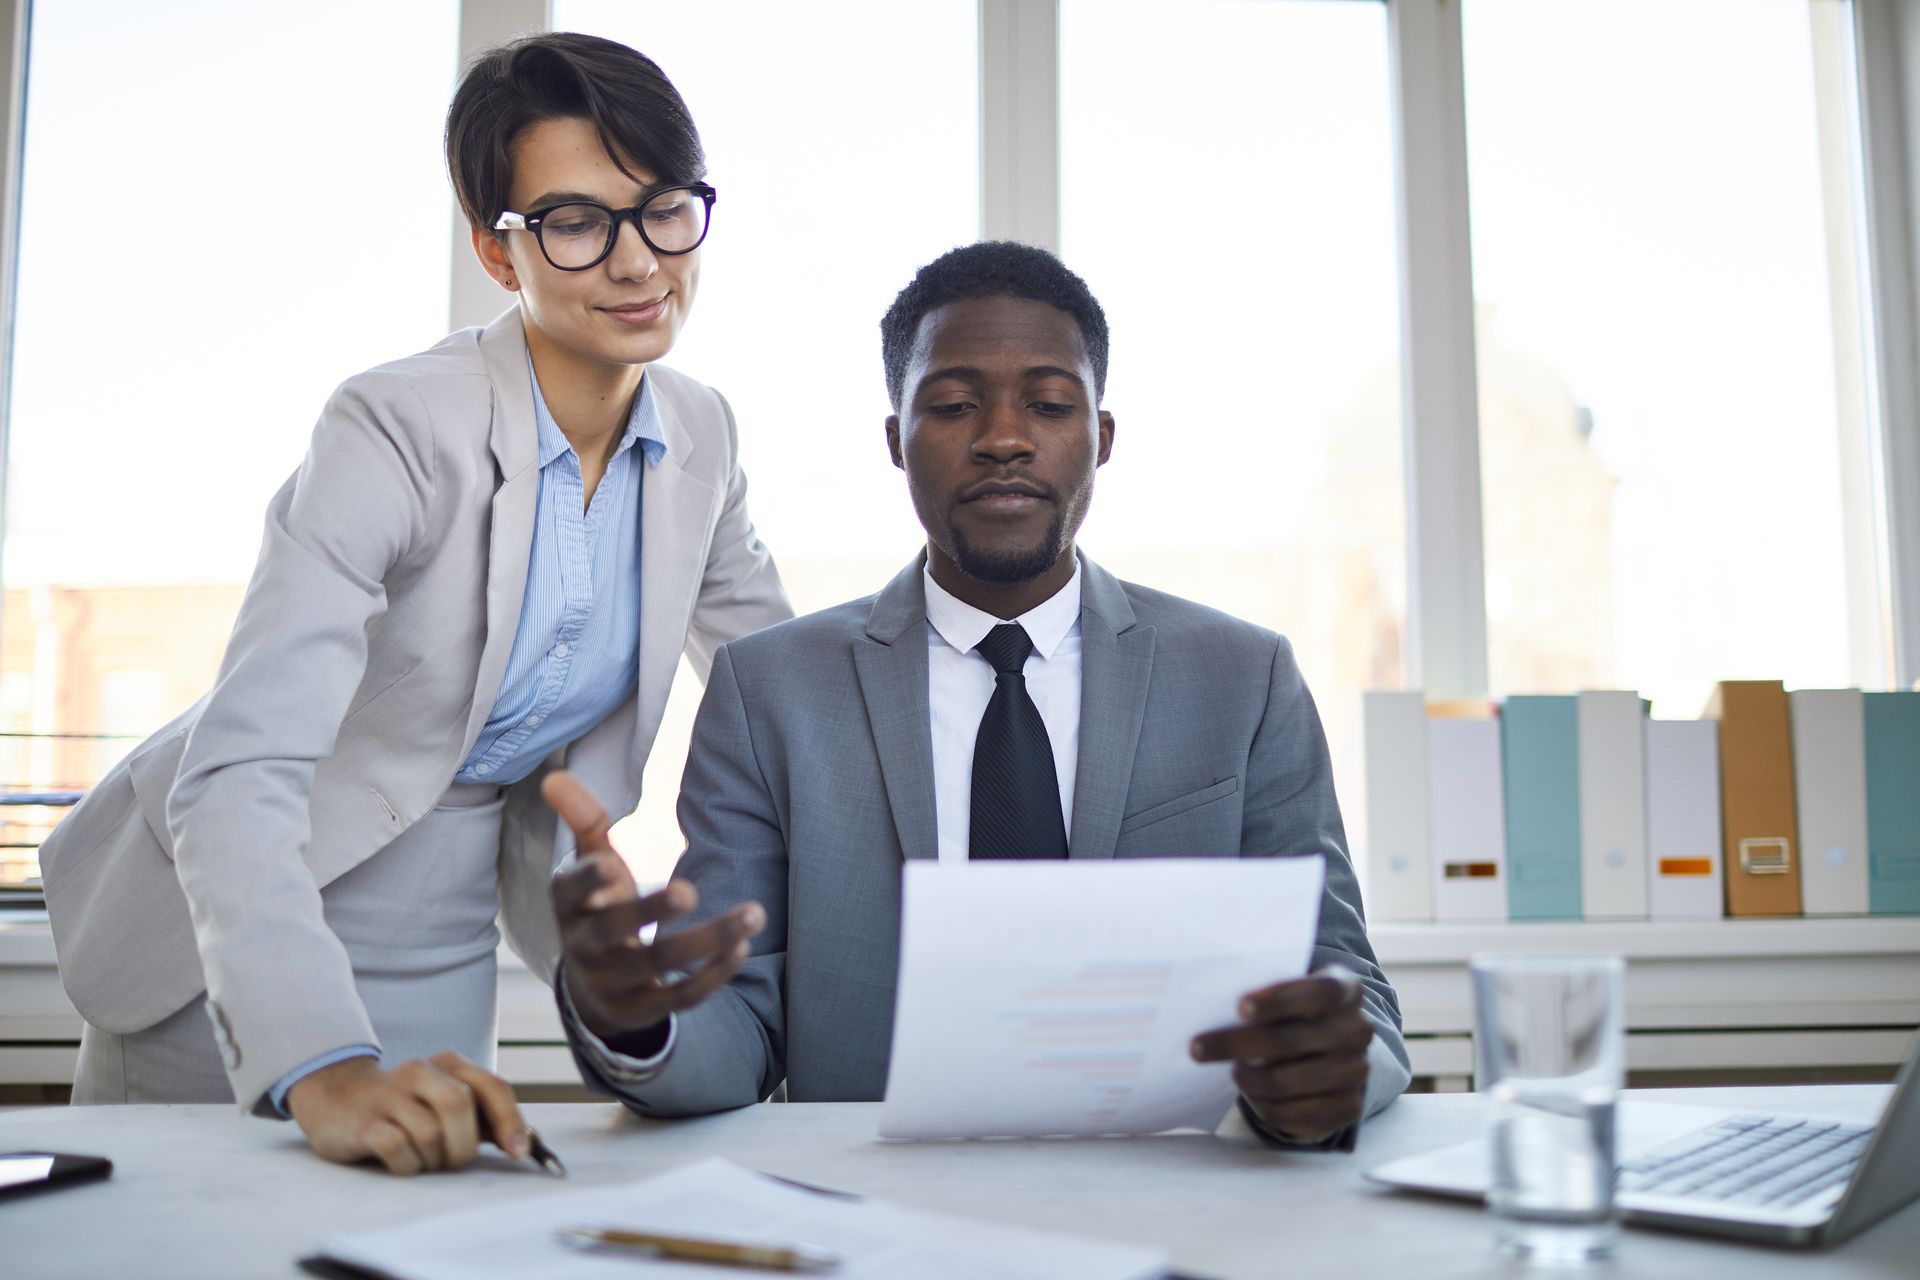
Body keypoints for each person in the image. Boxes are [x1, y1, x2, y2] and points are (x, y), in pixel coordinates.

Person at [37, 33, 791, 1175]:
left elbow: (784, 693)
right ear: (500, 252)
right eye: (579, 223)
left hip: (451, 935)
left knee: (417, 1230)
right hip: (234, 936)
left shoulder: (703, 435)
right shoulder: (392, 425)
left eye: (664, 207)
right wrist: (318, 1061)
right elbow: (238, 770)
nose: (639, 261)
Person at [542, 240, 1410, 1148]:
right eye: (954, 406)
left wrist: (1335, 1067)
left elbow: (1347, 983)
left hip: (1166, 1203)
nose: (1003, 437)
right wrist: (637, 1014)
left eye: (1048, 403)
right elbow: (737, 1024)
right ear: (896, 440)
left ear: (1101, 438)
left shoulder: (1244, 678)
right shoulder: (770, 691)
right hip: (875, 1220)